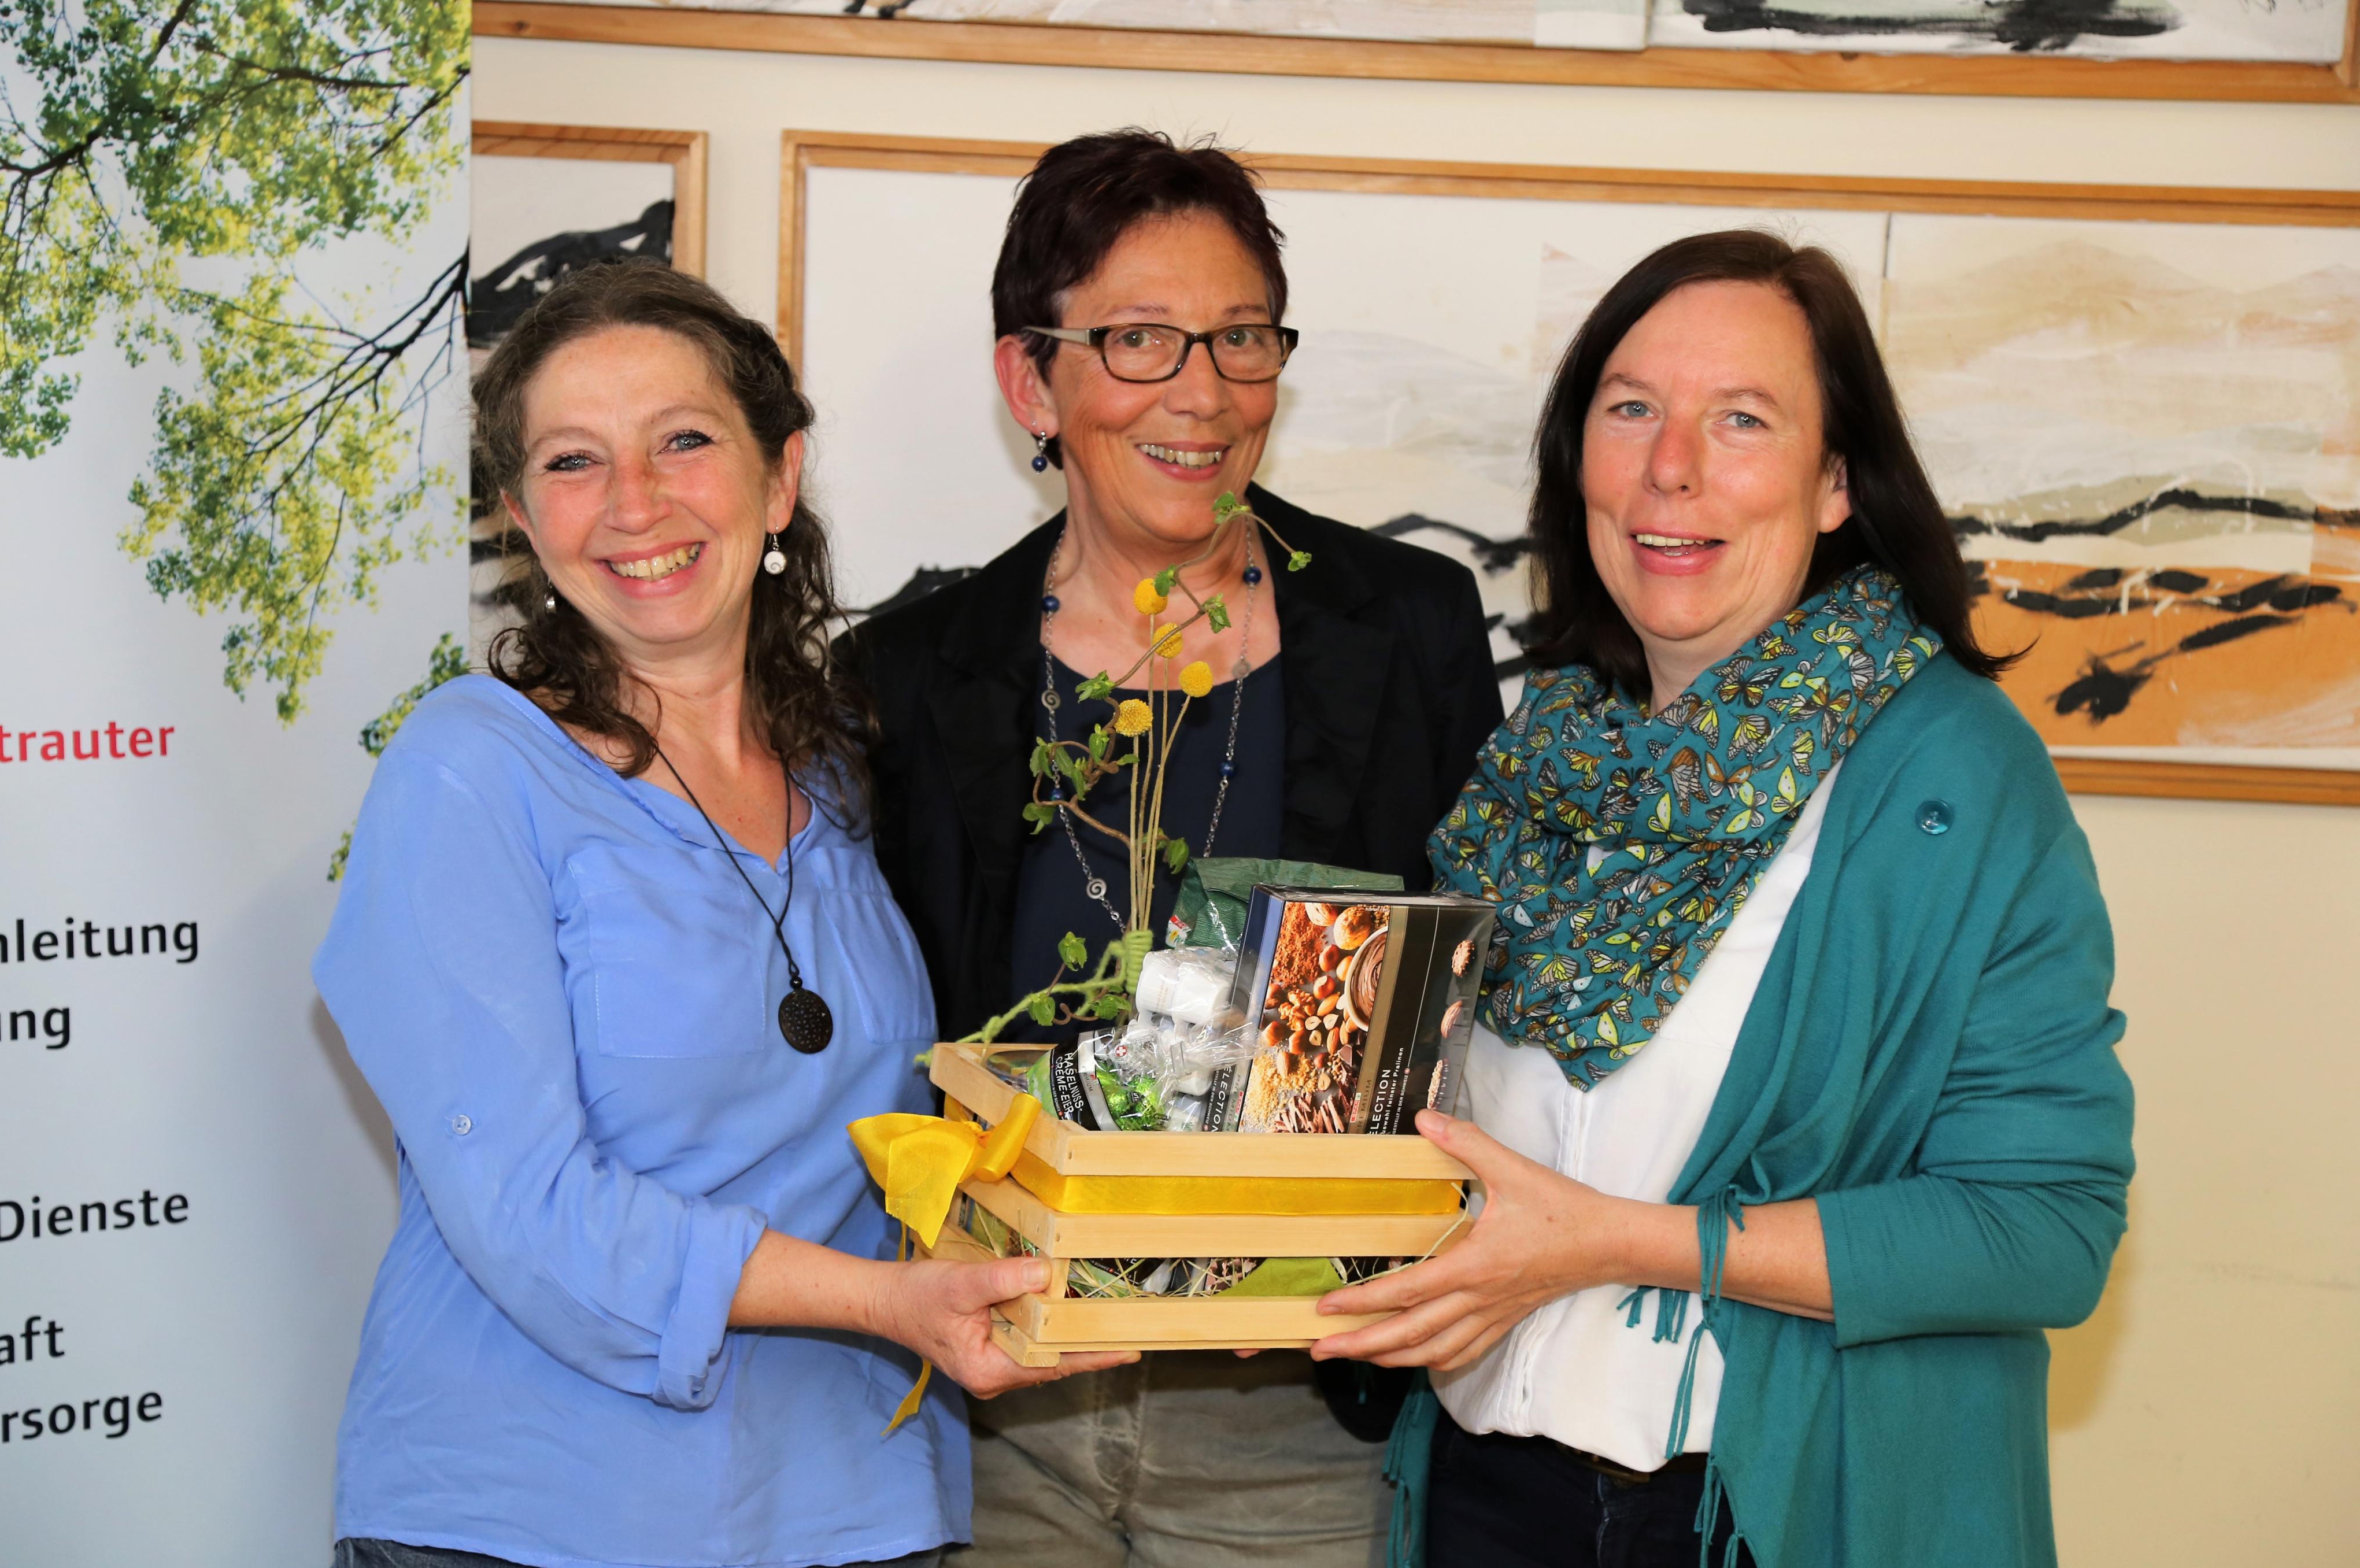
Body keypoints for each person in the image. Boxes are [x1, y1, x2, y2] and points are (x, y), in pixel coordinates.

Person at [1312, 231, 2136, 1568]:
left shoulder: (1951, 778)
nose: (1670, 466)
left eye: (1740, 420)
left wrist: (1617, 1244)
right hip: (1480, 1487)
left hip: (1751, 1512)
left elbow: (2040, 1232)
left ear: (1834, 481)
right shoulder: (1540, 759)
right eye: (1630, 408)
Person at [314, 261, 1126, 1568]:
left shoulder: (846, 775)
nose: (635, 503)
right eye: (573, 462)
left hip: (854, 1507)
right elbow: (527, 1203)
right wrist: (883, 1300)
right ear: (521, 518)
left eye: (683, 440)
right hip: (530, 1517)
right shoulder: (468, 769)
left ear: (780, 476)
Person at [838, 130, 1503, 1567]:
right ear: (1033, 381)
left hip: (1300, 1417)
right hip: (998, 1407)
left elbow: (1483, 1004)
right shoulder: (911, 676)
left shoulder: (1407, 628)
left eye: (1240, 337)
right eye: (1138, 339)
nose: (1200, 393)